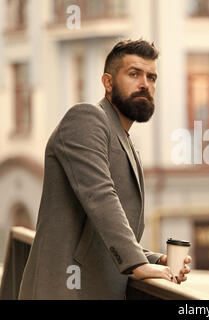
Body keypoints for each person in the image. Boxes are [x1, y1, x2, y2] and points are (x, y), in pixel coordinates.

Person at [18, 39, 191, 299]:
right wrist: (136, 263)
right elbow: (100, 197)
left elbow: (97, 238)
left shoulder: (127, 143)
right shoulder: (86, 118)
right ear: (108, 82)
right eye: (134, 74)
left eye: (152, 77)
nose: (145, 83)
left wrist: (155, 261)